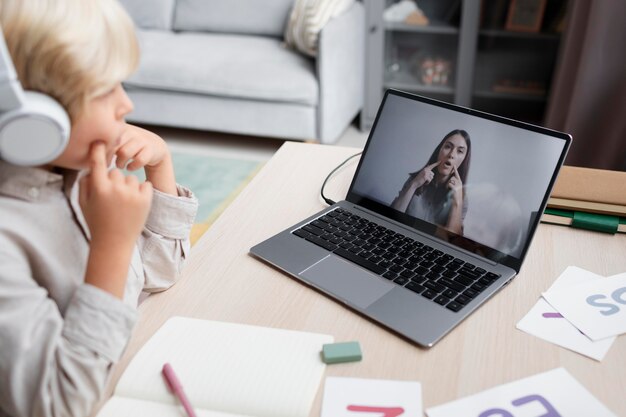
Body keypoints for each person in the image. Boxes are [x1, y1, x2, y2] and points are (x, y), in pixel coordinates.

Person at [0, 1, 198, 416]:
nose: (125, 105)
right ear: (32, 115)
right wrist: (111, 244)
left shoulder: (79, 170)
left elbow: (158, 274)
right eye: (104, 89)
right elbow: (58, 405)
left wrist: (160, 166)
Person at [391, 129, 471, 235]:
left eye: (459, 151)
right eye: (448, 147)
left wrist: (457, 202)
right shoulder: (414, 181)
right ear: (439, 150)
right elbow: (391, 219)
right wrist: (414, 185)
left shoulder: (462, 198)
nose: (451, 154)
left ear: (464, 160)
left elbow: (451, 242)